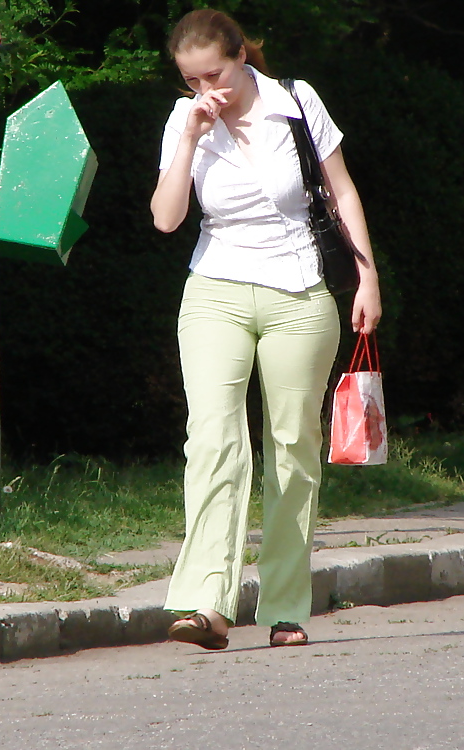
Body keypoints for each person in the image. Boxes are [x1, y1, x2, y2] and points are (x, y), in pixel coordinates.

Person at [150, 8, 381, 649]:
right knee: (214, 439)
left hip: (300, 293)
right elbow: (167, 219)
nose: (207, 91)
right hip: (214, 289)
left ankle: (284, 607)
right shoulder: (186, 120)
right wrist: (193, 136)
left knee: (292, 447)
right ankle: (204, 604)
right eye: (192, 80)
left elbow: (342, 192)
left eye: (215, 75)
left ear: (240, 58)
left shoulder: (296, 103)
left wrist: (368, 279)